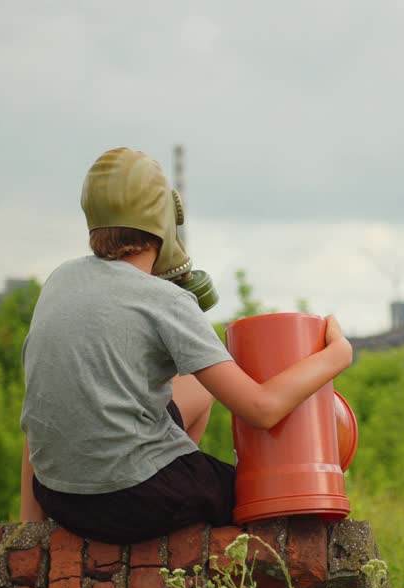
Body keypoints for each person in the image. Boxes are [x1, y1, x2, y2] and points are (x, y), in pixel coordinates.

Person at [18, 147, 352, 543]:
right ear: (164, 220)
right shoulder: (167, 300)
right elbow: (261, 408)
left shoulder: (60, 279)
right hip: (134, 499)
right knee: (269, 496)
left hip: (60, 497)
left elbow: (40, 407)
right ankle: (181, 510)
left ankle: (176, 473)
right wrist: (337, 355)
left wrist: (29, 531)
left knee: (199, 387)